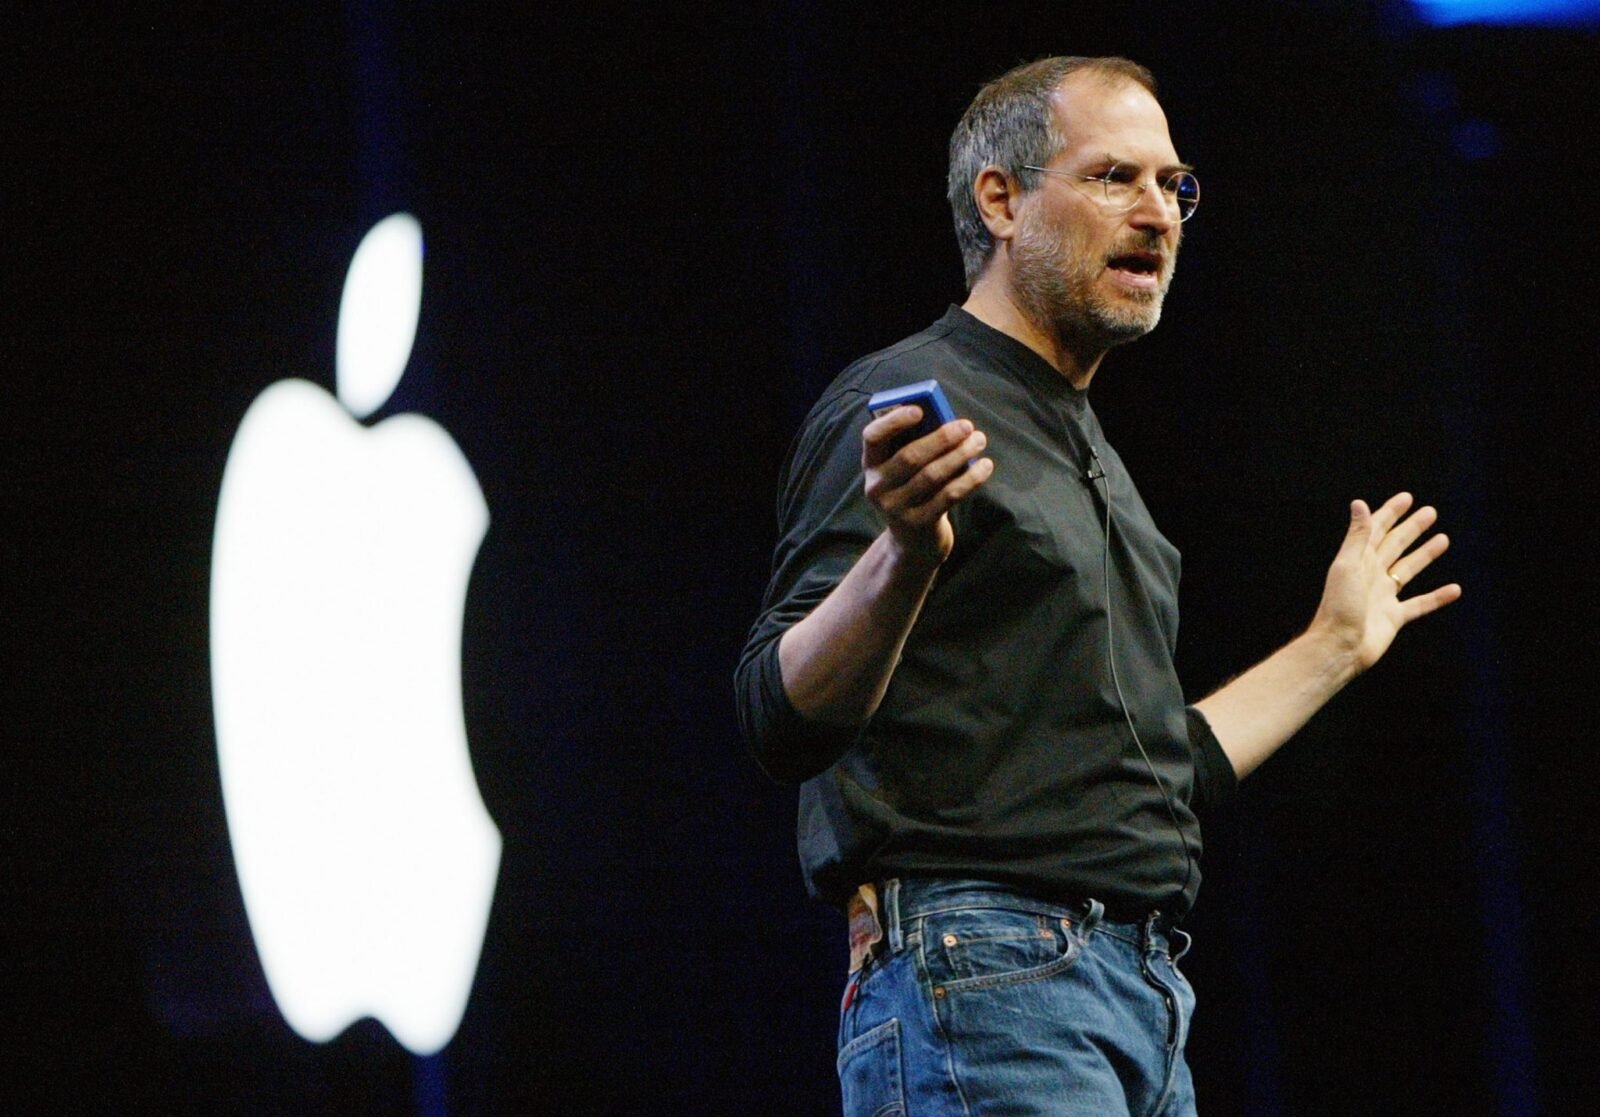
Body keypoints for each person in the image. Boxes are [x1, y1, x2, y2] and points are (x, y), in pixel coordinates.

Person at [734, 55, 1460, 1116]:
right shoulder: (906, 408)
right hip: (988, 973)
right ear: (1002, 199)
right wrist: (900, 556)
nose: (1159, 214)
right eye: (1115, 177)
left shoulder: (1093, 460)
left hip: (1138, 990)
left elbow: (1157, 771)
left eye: (1175, 186)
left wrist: (1334, 644)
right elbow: (775, 713)